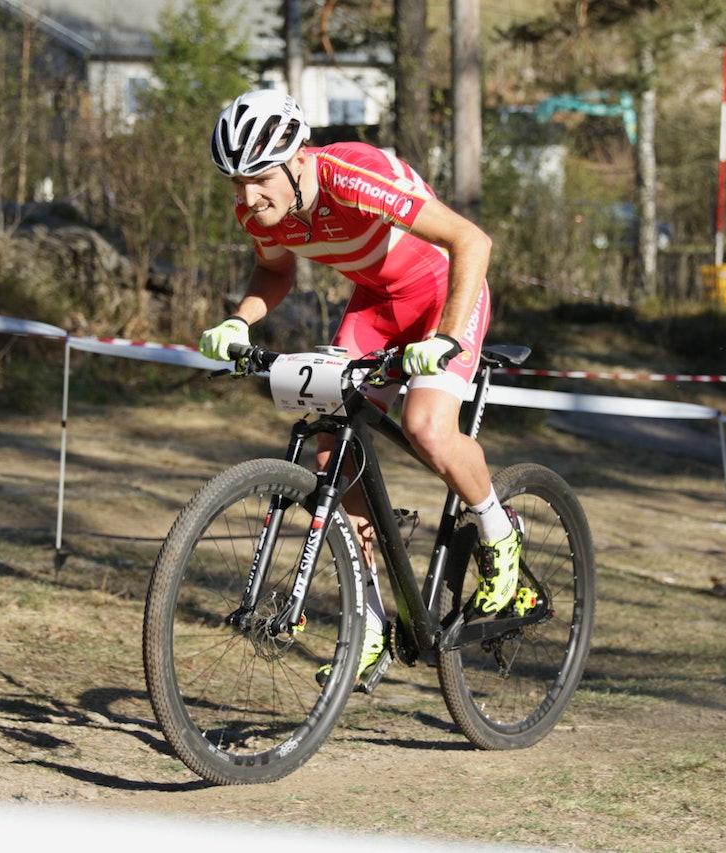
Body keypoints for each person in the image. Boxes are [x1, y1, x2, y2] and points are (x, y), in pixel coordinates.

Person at [198, 88, 521, 686]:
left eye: (259, 178)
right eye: (235, 183)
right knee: (329, 446)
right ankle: (370, 618)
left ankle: (500, 535)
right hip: (378, 305)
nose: (247, 198)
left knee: (426, 427)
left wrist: (447, 337)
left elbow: (473, 241)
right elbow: (275, 270)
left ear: (297, 160)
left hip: (446, 291)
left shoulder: (352, 176)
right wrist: (239, 320)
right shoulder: (259, 209)